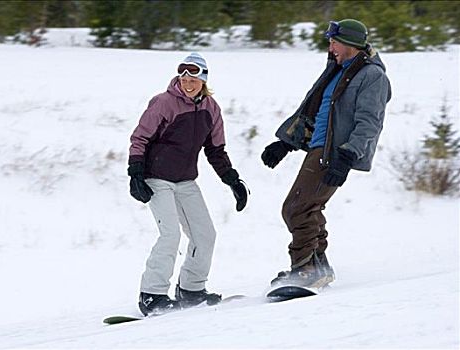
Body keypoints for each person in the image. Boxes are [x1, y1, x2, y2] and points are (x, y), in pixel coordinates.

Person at [261, 19, 391, 289]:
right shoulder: (337, 70)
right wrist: (285, 143)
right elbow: (312, 110)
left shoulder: (372, 76)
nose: (330, 46)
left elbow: (369, 122)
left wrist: (348, 155)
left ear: (351, 44)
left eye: (334, 41)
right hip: (318, 146)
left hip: (334, 151)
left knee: (296, 208)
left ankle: (305, 269)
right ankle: (318, 265)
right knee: (308, 206)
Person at [128, 52, 248, 316]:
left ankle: (191, 289)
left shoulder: (210, 108)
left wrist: (233, 181)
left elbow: (216, 150)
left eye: (193, 77)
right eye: (184, 76)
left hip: (185, 180)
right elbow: (140, 139)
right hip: (157, 177)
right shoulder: (163, 103)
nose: (188, 82)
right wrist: (135, 173)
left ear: (203, 80)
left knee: (205, 235)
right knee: (170, 234)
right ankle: (152, 295)